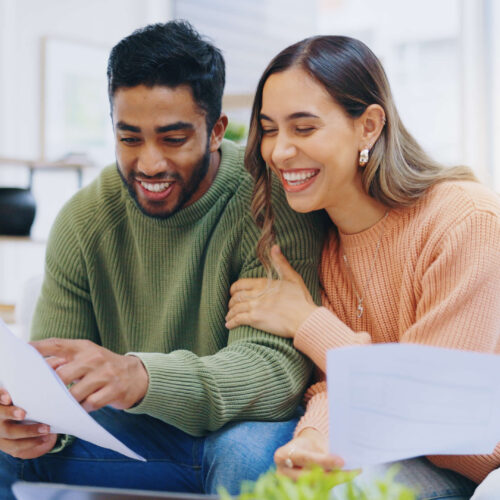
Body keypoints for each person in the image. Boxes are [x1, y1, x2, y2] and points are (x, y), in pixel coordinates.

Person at [0, 21, 325, 498]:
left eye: (173, 139)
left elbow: (273, 375)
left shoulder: (267, 201)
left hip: (238, 432)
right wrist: (33, 423)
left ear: (215, 131)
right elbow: (53, 374)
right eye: (130, 138)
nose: (150, 163)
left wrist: (142, 376)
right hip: (131, 436)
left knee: (246, 455)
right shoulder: (83, 220)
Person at [225, 35, 500, 499]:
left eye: (304, 128)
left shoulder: (464, 221)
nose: (279, 151)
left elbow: (433, 408)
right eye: (270, 129)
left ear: (369, 126)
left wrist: (308, 321)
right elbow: (339, 385)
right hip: (409, 454)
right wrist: (315, 438)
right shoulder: (324, 241)